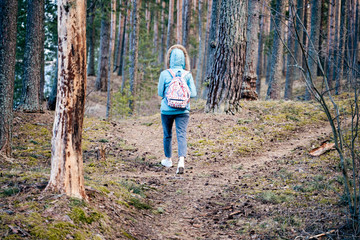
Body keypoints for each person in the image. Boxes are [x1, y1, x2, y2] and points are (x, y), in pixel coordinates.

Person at [157, 44, 197, 174]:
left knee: (167, 134)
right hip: (183, 110)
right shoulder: (188, 75)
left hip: (166, 110)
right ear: (184, 60)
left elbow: (160, 93)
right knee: (181, 134)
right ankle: (181, 161)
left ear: (170, 59)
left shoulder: (164, 74)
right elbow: (194, 94)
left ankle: (168, 160)